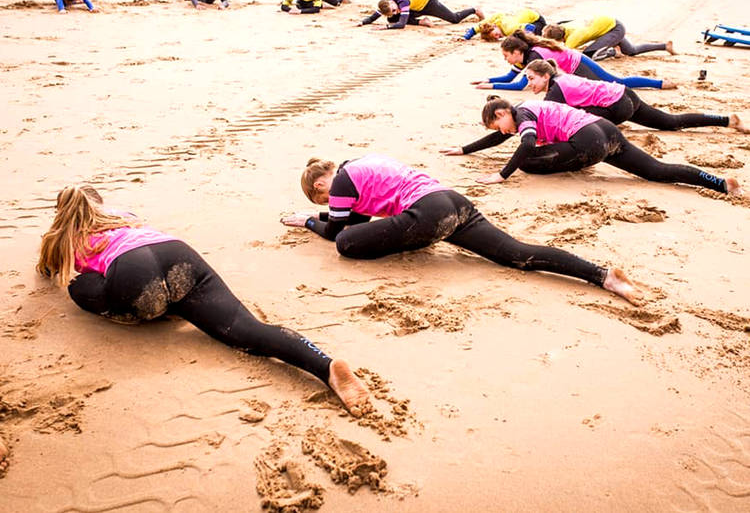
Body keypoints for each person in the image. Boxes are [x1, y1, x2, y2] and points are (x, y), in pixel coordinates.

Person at [37, 186, 369, 415]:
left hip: (132, 275)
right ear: (99, 203)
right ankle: (325, 367)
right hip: (177, 252)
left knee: (79, 287)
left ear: (62, 212)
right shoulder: (122, 215)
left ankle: (151, 310)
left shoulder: (62, 234)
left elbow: (46, 270)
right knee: (246, 329)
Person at [281, 154, 643, 305]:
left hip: (426, 214)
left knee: (345, 244)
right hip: (452, 202)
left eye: (323, 199)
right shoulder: (362, 165)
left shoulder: (342, 183)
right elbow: (359, 220)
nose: (329, 202)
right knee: (516, 253)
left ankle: (604, 276)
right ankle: (603, 276)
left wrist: (312, 222)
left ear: (319, 187)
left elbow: (340, 232)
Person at [439, 97, 743, 195]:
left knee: (528, 161)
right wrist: (464, 150)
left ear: (502, 113)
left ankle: (581, 161)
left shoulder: (523, 115)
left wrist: (502, 175)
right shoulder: (522, 110)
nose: (503, 131)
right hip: (606, 131)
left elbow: (527, 142)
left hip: (587, 140)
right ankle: (720, 184)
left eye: (498, 125)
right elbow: (501, 137)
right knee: (655, 170)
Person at [524, 59, 748, 132]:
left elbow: (544, 118)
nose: (529, 83)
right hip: (625, 95)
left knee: (579, 123)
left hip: (617, 105)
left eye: (532, 78)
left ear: (545, 76)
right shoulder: (562, 81)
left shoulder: (556, 89)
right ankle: (727, 120)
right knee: (670, 122)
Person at [471, 30, 675, 91]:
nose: (505, 60)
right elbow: (509, 77)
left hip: (579, 63)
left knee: (615, 83)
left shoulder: (533, 57)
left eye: (506, 55)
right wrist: (487, 80)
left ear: (516, 52)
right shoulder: (523, 58)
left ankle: (660, 83)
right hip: (571, 65)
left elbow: (520, 86)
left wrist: (490, 88)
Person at [543, 17, 674, 61]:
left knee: (589, 55)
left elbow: (564, 54)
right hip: (611, 24)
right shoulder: (564, 26)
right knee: (631, 50)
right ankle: (665, 46)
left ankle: (613, 52)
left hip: (614, 29)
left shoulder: (573, 39)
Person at [360, 0, 483, 29]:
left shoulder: (403, 2)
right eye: (393, 11)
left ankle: (474, 10)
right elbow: (373, 17)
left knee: (454, 19)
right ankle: (422, 22)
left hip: (428, 2)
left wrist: (385, 27)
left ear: (392, 4)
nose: (395, 12)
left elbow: (402, 24)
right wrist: (362, 22)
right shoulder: (387, 2)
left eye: (394, 10)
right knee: (392, 19)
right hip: (416, 6)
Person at [462, 8, 545, 40]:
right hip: (527, 14)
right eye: (496, 38)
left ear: (494, 27)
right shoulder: (493, 20)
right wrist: (466, 37)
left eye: (496, 34)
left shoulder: (508, 28)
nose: (499, 37)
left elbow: (530, 27)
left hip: (536, 20)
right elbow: (476, 28)